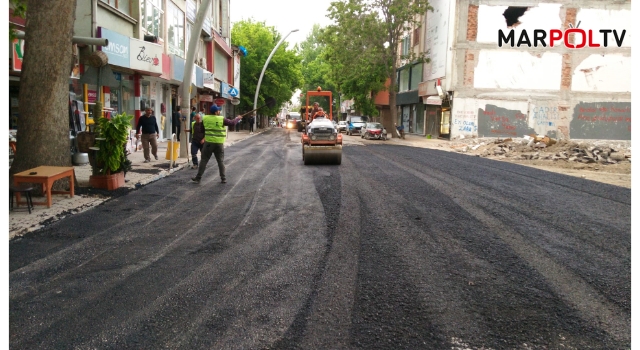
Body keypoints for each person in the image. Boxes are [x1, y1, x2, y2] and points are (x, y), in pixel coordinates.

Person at [191, 105, 242, 184]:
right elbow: (232, 123)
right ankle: (223, 178)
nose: (219, 111)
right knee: (220, 161)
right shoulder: (221, 119)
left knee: (204, 160)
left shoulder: (205, 118)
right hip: (218, 143)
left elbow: (201, 129)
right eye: (218, 110)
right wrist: (237, 118)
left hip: (208, 143)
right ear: (216, 112)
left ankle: (198, 178)